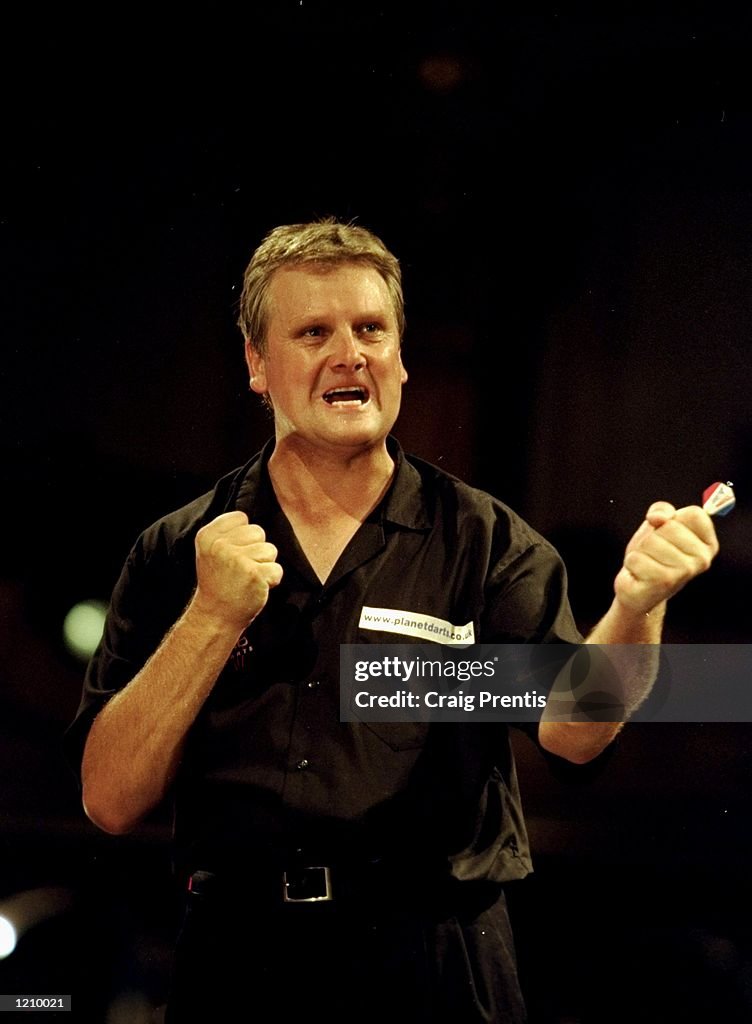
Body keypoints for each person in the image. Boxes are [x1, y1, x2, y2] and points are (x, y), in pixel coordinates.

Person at [66, 219, 719, 1023]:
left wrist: (636, 605)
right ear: (257, 366)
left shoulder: (486, 543)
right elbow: (109, 798)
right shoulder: (175, 552)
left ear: (400, 357)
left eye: (371, 329)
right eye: (313, 333)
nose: (350, 354)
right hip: (236, 962)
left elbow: (574, 728)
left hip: (434, 961)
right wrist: (209, 615)